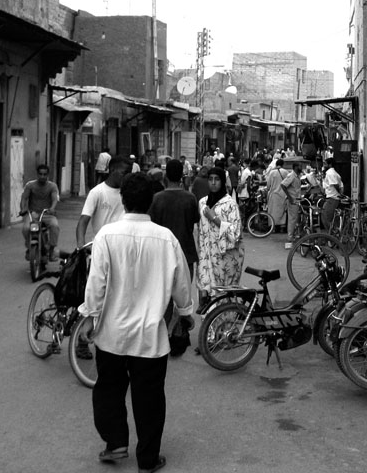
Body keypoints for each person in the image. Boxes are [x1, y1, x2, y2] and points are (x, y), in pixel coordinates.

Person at [79, 172, 193, 471]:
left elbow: (96, 284)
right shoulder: (166, 238)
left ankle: (115, 443)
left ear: (123, 200)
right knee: (150, 399)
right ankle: (147, 459)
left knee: (109, 390)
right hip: (150, 337)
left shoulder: (105, 235)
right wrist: (185, 313)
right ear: (150, 202)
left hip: (112, 333)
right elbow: (182, 283)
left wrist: (89, 318)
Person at [196, 167, 245, 307]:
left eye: (216, 179)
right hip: (207, 257)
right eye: (210, 179)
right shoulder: (202, 203)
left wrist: (215, 219)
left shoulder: (230, 204)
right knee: (207, 292)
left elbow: (235, 233)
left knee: (224, 296)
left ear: (222, 182)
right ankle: (210, 328)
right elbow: (201, 232)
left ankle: (227, 327)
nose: (213, 183)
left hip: (226, 258)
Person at [149, 160, 200, 281]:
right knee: (185, 293)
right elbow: (195, 220)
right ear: (182, 175)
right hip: (186, 252)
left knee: (165, 295)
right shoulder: (190, 198)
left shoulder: (157, 199)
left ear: (166, 176)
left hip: (163, 253)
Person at [76, 155, 129, 246]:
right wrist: (81, 245)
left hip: (123, 245)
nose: (126, 177)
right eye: (124, 173)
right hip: (101, 245)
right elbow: (83, 221)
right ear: (112, 169)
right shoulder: (97, 192)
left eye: (129, 174)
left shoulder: (129, 193)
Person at [20, 164, 60, 261]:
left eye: (44, 174)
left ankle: (51, 249)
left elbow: (55, 199)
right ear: (37, 174)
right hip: (33, 214)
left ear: (47, 175)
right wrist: (23, 209)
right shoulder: (30, 185)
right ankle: (29, 248)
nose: (42, 176)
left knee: (55, 226)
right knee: (26, 228)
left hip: (47, 214)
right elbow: (24, 198)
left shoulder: (52, 186)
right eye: (40, 174)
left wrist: (52, 208)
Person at [281, 161, 303, 249]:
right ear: (295, 167)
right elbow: (283, 185)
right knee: (292, 219)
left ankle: (293, 235)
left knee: (295, 218)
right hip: (292, 201)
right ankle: (290, 238)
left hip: (297, 200)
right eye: (300, 166)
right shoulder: (291, 176)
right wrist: (289, 197)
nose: (301, 168)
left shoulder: (297, 176)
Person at [321, 157, 343, 233]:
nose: (324, 165)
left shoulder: (330, 173)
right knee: (328, 216)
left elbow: (335, 184)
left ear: (330, 164)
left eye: (325, 164)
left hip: (333, 198)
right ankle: (332, 234)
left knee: (326, 217)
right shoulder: (330, 173)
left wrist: (339, 193)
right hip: (331, 197)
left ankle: (332, 235)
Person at [266, 158, 288, 232]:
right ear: (282, 164)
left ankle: (273, 227)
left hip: (274, 194)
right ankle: (282, 226)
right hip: (283, 194)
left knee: (273, 211)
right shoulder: (286, 172)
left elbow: (268, 185)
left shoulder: (272, 172)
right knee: (282, 211)